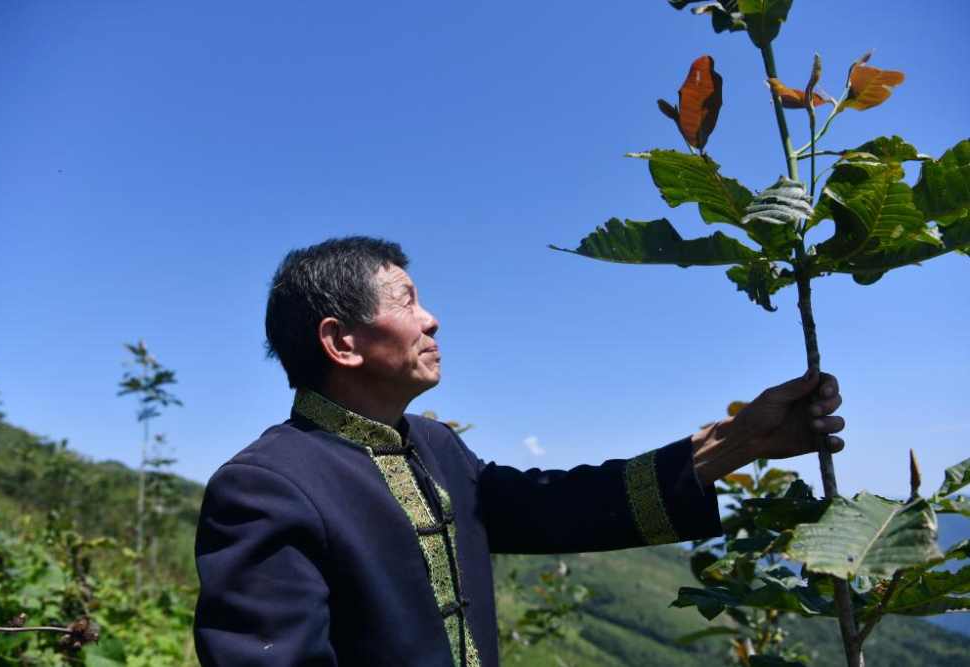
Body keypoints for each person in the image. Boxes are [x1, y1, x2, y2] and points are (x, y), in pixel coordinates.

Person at [193, 236, 845, 667]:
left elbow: (556, 506)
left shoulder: (439, 446)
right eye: (408, 300)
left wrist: (743, 440)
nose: (432, 318)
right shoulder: (265, 486)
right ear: (341, 342)